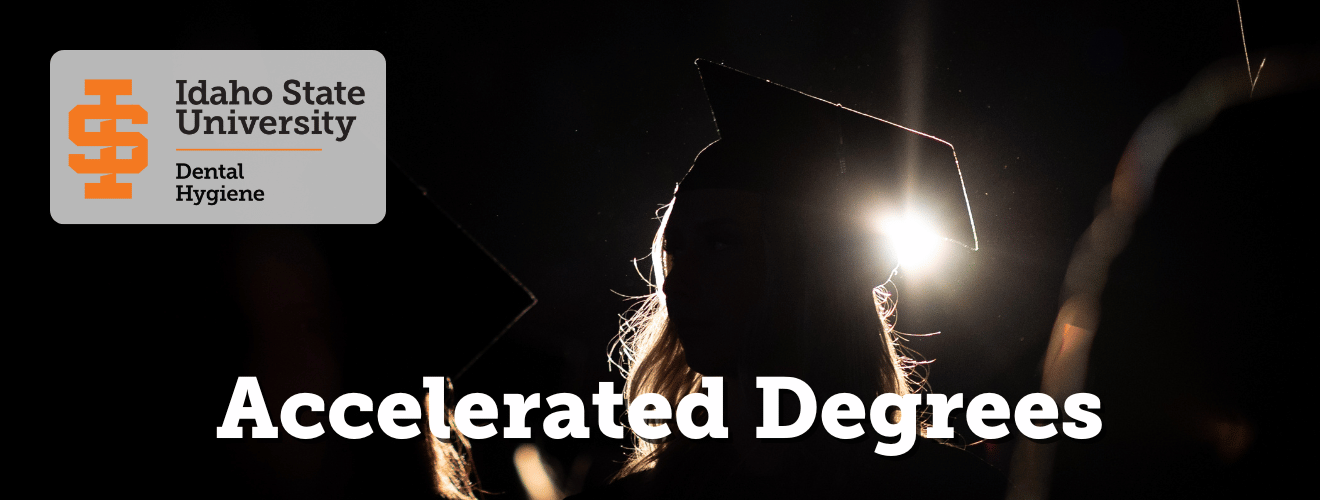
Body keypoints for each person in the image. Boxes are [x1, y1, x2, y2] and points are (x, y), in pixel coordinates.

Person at [568, 60, 1006, 499]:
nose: (674, 284)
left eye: (721, 243)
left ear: (813, 272)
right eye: (675, 249)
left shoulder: (947, 491)